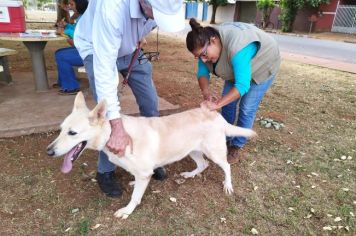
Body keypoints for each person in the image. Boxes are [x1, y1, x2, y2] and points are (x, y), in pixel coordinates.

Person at [74, 0, 185, 197]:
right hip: (97, 48)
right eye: (156, 14)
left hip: (131, 49)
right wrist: (117, 127)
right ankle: (105, 172)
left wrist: (139, 35)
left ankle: (153, 159)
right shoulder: (112, 8)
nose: (155, 20)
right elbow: (104, 69)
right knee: (105, 117)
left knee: (151, 103)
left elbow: (147, 20)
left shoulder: (154, 10)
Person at [186, 18, 280, 164]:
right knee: (228, 103)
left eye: (204, 55)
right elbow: (202, 74)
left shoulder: (237, 48)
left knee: (247, 108)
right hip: (237, 66)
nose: (203, 60)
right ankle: (225, 137)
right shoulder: (204, 46)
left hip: (263, 65)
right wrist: (206, 93)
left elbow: (242, 85)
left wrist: (217, 105)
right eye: (198, 57)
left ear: (213, 41)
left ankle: (236, 145)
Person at [54, 0, 88, 95]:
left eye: (72, 4)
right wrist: (67, 25)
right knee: (58, 53)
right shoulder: (83, 17)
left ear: (79, 6)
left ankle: (71, 87)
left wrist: (63, 32)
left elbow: (77, 36)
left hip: (89, 53)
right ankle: (64, 82)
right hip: (85, 49)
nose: (70, 7)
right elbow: (76, 30)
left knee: (62, 56)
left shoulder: (85, 19)